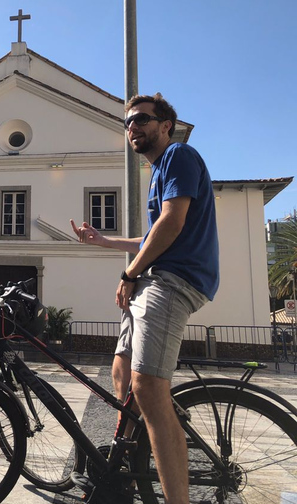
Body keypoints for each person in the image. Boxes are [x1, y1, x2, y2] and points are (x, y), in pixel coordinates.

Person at [70, 93, 218, 504]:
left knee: (148, 387)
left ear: (166, 124)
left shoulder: (178, 157)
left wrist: (130, 272)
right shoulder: (157, 173)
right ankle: (132, 468)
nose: (133, 127)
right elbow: (150, 236)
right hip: (154, 276)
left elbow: (171, 225)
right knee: (122, 373)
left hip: (175, 278)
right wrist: (104, 242)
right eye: (127, 123)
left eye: (141, 119)